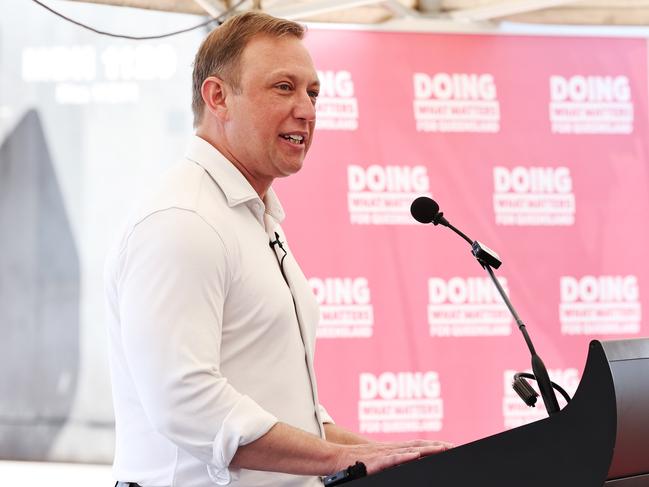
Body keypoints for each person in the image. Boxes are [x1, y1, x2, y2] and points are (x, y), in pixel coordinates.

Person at [105, 11, 452, 487]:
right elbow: (183, 399)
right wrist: (338, 460)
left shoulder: (251, 214)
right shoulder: (182, 221)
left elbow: (285, 410)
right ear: (218, 97)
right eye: (283, 87)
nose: (307, 110)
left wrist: (384, 454)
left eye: (312, 92)